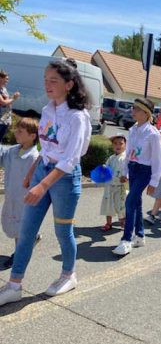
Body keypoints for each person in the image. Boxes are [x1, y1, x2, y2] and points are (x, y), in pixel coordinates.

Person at [0, 59, 92, 307]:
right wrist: (33, 171)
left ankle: (68, 274)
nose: (47, 84)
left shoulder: (78, 117)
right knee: (26, 231)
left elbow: (71, 159)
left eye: (54, 80)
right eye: (45, 79)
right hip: (43, 171)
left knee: (63, 232)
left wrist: (42, 186)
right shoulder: (49, 109)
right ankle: (14, 285)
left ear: (69, 84)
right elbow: (46, 146)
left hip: (64, 179)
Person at [112, 98, 161, 256]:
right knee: (137, 203)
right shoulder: (133, 129)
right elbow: (128, 153)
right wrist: (125, 171)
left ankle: (126, 239)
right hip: (133, 169)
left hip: (144, 171)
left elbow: (157, 159)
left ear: (145, 113)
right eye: (132, 108)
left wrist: (154, 181)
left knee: (130, 202)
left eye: (136, 109)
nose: (132, 111)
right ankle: (140, 235)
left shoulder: (153, 134)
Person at [0, 118, 40, 270]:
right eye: (17, 129)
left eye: (21, 131)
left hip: (25, 199)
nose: (16, 132)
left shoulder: (34, 158)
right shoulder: (12, 151)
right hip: (12, 196)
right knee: (14, 224)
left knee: (21, 229)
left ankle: (18, 255)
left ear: (32, 136)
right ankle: (31, 239)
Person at [100, 134, 128, 232]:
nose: (118, 146)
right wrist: (104, 169)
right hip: (109, 185)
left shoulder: (125, 158)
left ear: (125, 145)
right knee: (108, 204)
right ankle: (109, 223)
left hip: (120, 186)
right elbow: (107, 168)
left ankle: (123, 222)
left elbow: (128, 170)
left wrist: (126, 177)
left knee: (120, 205)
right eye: (115, 143)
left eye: (121, 143)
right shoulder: (111, 158)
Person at [0, 70, 20, 143]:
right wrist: (14, 98)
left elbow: (8, 101)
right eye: (6, 79)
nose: (7, 81)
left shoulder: (3, 89)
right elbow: (2, 102)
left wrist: (12, 98)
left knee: (1, 138)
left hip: (5, 118)